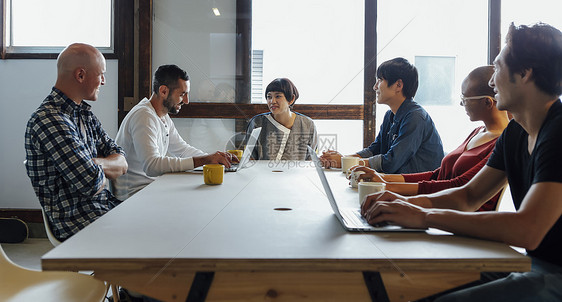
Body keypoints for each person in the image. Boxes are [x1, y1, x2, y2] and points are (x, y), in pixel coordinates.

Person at [362, 23, 562, 301]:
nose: (492, 83)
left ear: (525, 73)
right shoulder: (515, 132)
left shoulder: (558, 131)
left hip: (554, 273)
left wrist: (423, 216)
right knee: (415, 286)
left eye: (498, 68)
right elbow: (468, 195)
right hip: (531, 265)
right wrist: (402, 204)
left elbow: (528, 229)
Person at [351, 66, 510, 211]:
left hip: (459, 219)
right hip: (439, 208)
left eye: (464, 99)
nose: (461, 105)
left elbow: (458, 186)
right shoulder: (478, 132)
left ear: (487, 103)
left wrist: (389, 187)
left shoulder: (502, 143)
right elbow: (438, 175)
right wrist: (383, 179)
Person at [25, 43, 128, 241]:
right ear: (80, 75)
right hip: (80, 224)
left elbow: (122, 161)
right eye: (101, 74)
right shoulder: (49, 120)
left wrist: (95, 163)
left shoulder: (84, 114)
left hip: (104, 209)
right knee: (157, 233)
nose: (104, 81)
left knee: (162, 220)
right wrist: (101, 167)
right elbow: (90, 183)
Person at [113, 64, 234, 200]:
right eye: (182, 94)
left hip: (151, 188)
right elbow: (152, 166)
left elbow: (181, 149)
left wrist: (213, 159)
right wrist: (205, 160)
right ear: (163, 91)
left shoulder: (162, 115)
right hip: (134, 196)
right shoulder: (144, 116)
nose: (187, 101)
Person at [320, 57, 444, 174]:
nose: (375, 87)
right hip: (395, 184)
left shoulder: (415, 118)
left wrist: (344, 163)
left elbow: (391, 162)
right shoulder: (390, 115)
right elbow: (375, 149)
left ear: (398, 85)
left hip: (417, 191)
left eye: (380, 80)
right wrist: (344, 158)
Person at [245, 78, 317, 160]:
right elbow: (250, 158)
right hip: (263, 172)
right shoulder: (257, 123)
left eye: (278, 96)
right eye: (269, 97)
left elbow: (311, 160)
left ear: (291, 99)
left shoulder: (307, 124)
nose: (272, 101)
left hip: (298, 172)